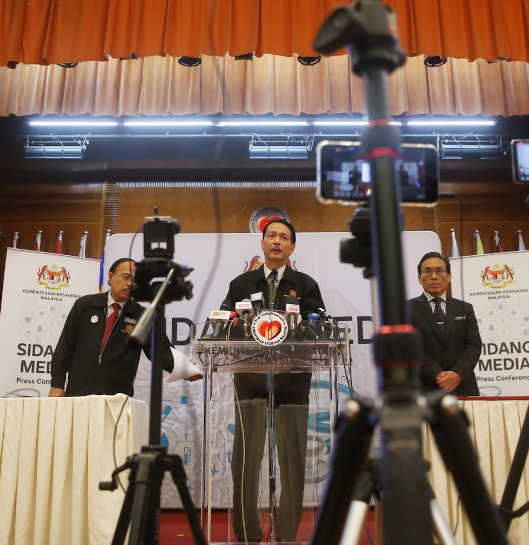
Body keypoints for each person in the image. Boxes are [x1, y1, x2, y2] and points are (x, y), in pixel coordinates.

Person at [220, 219, 324, 543]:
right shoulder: (241, 283)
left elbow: (320, 325)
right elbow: (223, 321)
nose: (277, 241)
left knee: (292, 465)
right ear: (262, 244)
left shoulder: (305, 284)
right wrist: (234, 325)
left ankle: (287, 537)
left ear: (292, 247)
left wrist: (305, 329)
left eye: (284, 237)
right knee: (245, 463)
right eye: (271, 236)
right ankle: (248, 535)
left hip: (293, 382)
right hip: (249, 379)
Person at [49, 258, 200, 397]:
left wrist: (185, 367)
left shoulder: (142, 316)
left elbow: (162, 351)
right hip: (78, 394)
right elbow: (65, 346)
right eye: (126, 277)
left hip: (118, 399)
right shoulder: (85, 305)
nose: (130, 284)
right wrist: (57, 383)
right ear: (111, 277)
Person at [407, 252, 482, 396]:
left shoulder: (465, 308)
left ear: (449, 277)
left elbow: (474, 345)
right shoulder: (406, 309)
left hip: (463, 387)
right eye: (427, 271)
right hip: (425, 389)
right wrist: (437, 374)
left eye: (439, 271)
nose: (434, 276)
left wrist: (457, 374)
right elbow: (409, 347)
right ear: (419, 278)